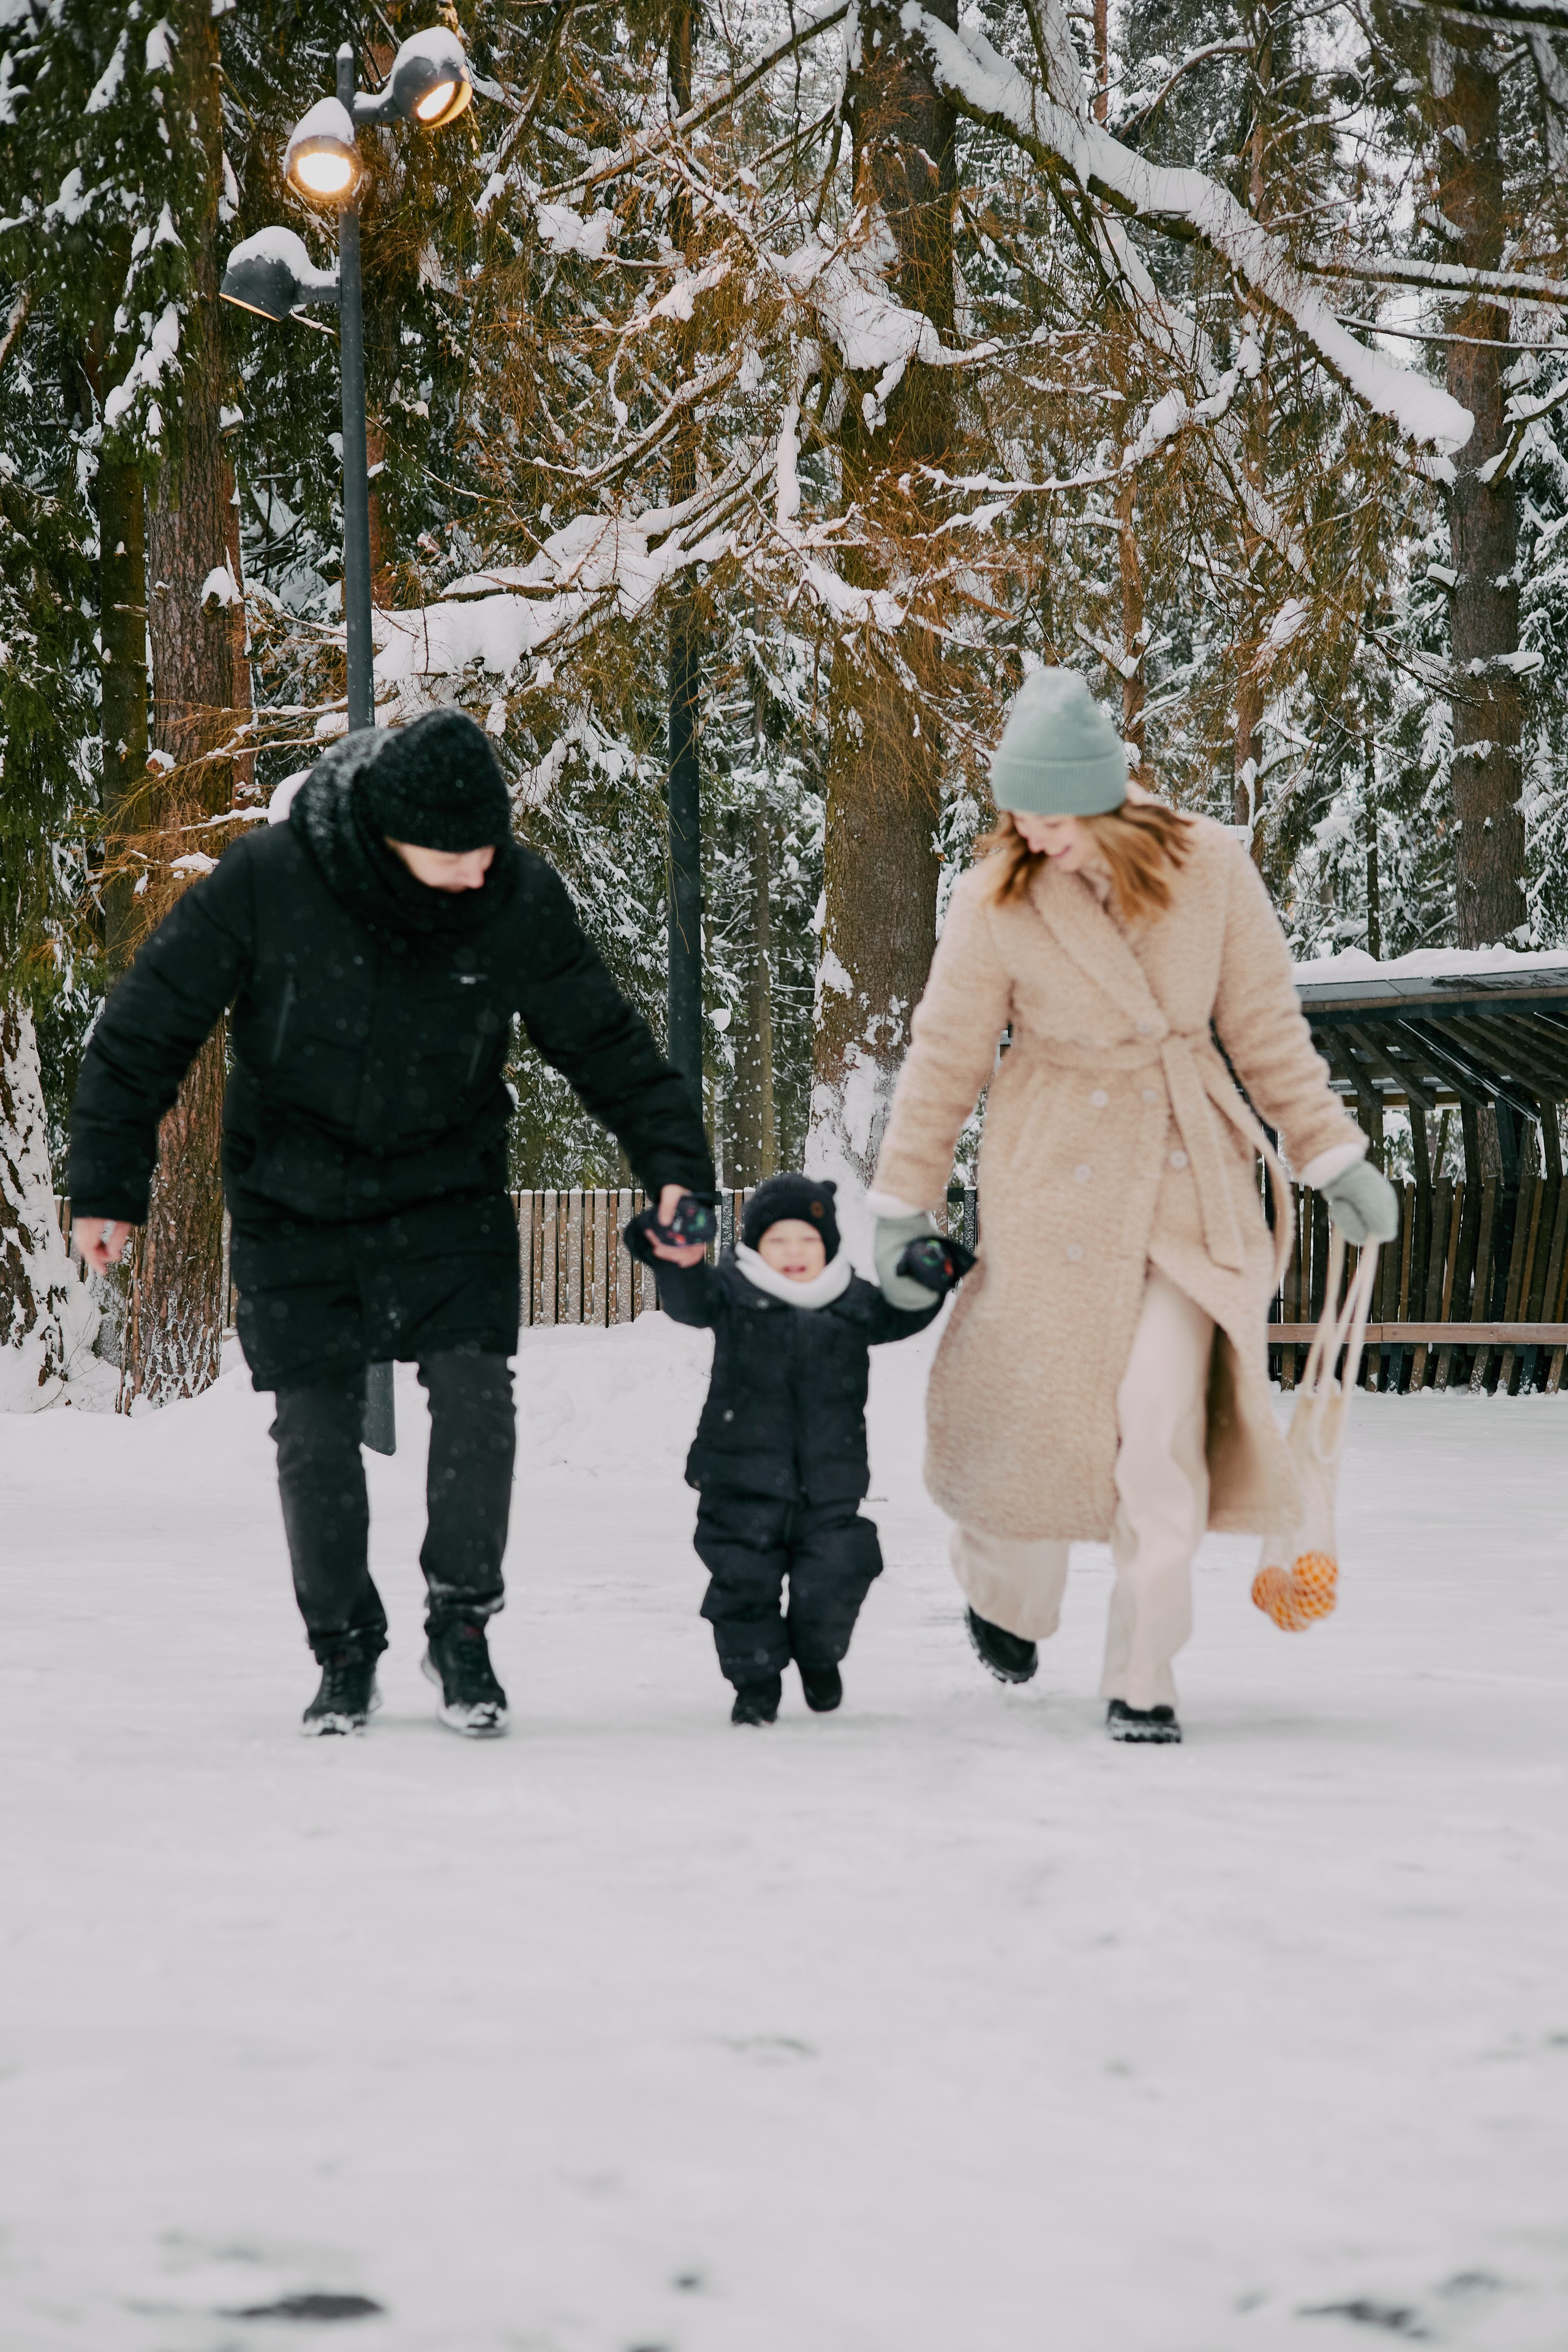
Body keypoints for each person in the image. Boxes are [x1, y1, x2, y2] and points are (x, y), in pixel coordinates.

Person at [69, 710, 714, 1740]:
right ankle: (343, 1649)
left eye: (489, 849)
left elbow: (607, 1045)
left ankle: (462, 1625)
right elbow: (146, 1027)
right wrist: (108, 1186)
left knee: (476, 1398)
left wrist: (676, 1170)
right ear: (390, 836)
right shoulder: (270, 879)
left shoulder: (513, 895)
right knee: (314, 1428)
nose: (477, 870)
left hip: (446, 1189)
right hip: (294, 1199)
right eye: (454, 855)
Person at [864, 669, 1397, 1744]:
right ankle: (1006, 1600)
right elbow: (946, 1055)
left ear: (1106, 801)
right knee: (1031, 1418)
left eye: (1053, 818)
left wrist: (1331, 1153)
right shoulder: (995, 894)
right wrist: (901, 1205)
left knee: (1161, 1432)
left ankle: (1143, 1672)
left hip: (1184, 1179)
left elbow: (1266, 1030)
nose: (1033, 835)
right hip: (1049, 1175)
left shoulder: (1215, 871)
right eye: (1019, 816)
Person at [627, 1173, 966, 1725]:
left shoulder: (850, 1300)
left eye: (807, 1240)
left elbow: (902, 1314)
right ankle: (756, 1680)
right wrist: (675, 1259)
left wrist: (928, 1277)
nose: (793, 1252)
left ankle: (818, 1654)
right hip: (737, 1482)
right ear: (755, 1245)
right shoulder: (732, 1292)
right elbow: (688, 1301)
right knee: (742, 1584)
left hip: (829, 1483)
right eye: (777, 1240)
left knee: (838, 1572)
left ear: (828, 1244)